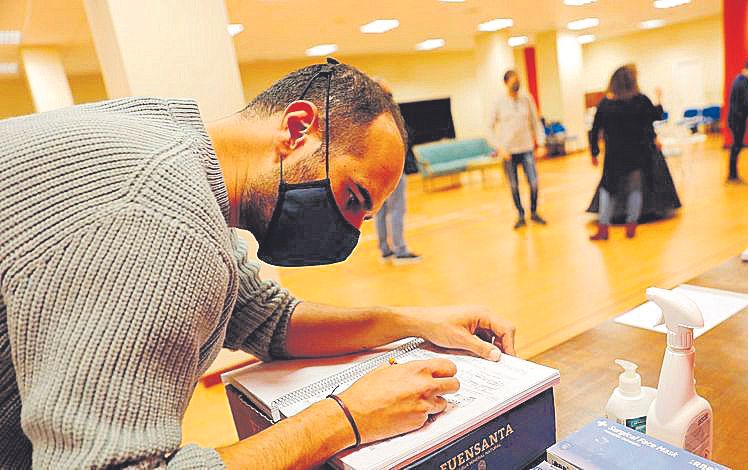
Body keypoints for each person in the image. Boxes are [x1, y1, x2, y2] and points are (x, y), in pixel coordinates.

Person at [0, 59, 517, 469]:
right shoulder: (162, 218)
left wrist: (411, 322)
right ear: (297, 130)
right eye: (353, 196)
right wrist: (345, 418)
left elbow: (266, 318)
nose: (353, 229)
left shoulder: (172, 149)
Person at [588, 64, 664, 240]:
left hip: (614, 155)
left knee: (608, 190)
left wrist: (594, 151)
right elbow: (655, 115)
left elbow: (595, 129)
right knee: (635, 189)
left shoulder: (606, 105)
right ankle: (631, 225)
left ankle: (604, 227)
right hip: (637, 154)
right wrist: (659, 98)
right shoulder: (641, 100)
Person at [489, 69, 548, 230]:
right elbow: (489, 128)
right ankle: (520, 215)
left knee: (534, 183)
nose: (517, 84)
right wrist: (499, 148)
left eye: (518, 80)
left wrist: (541, 143)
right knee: (514, 186)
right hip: (509, 153)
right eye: (514, 81)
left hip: (527, 148)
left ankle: (534, 212)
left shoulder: (527, 98)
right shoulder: (499, 102)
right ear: (506, 83)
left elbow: (536, 122)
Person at [373, 78, 421, 265]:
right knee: (396, 209)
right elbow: (400, 136)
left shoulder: (367, 114)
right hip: (392, 167)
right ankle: (400, 250)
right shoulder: (386, 112)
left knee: (382, 211)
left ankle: (386, 250)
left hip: (377, 170)